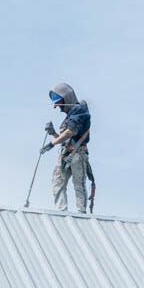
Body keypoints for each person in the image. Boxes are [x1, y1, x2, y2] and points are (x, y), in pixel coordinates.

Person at [42, 82, 92, 213]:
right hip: (66, 155)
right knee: (58, 182)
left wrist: (51, 144)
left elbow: (70, 132)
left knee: (78, 185)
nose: (56, 106)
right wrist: (53, 133)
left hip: (77, 155)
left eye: (58, 101)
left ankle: (81, 214)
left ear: (67, 97)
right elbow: (66, 139)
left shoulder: (80, 110)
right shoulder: (69, 117)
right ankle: (61, 212)